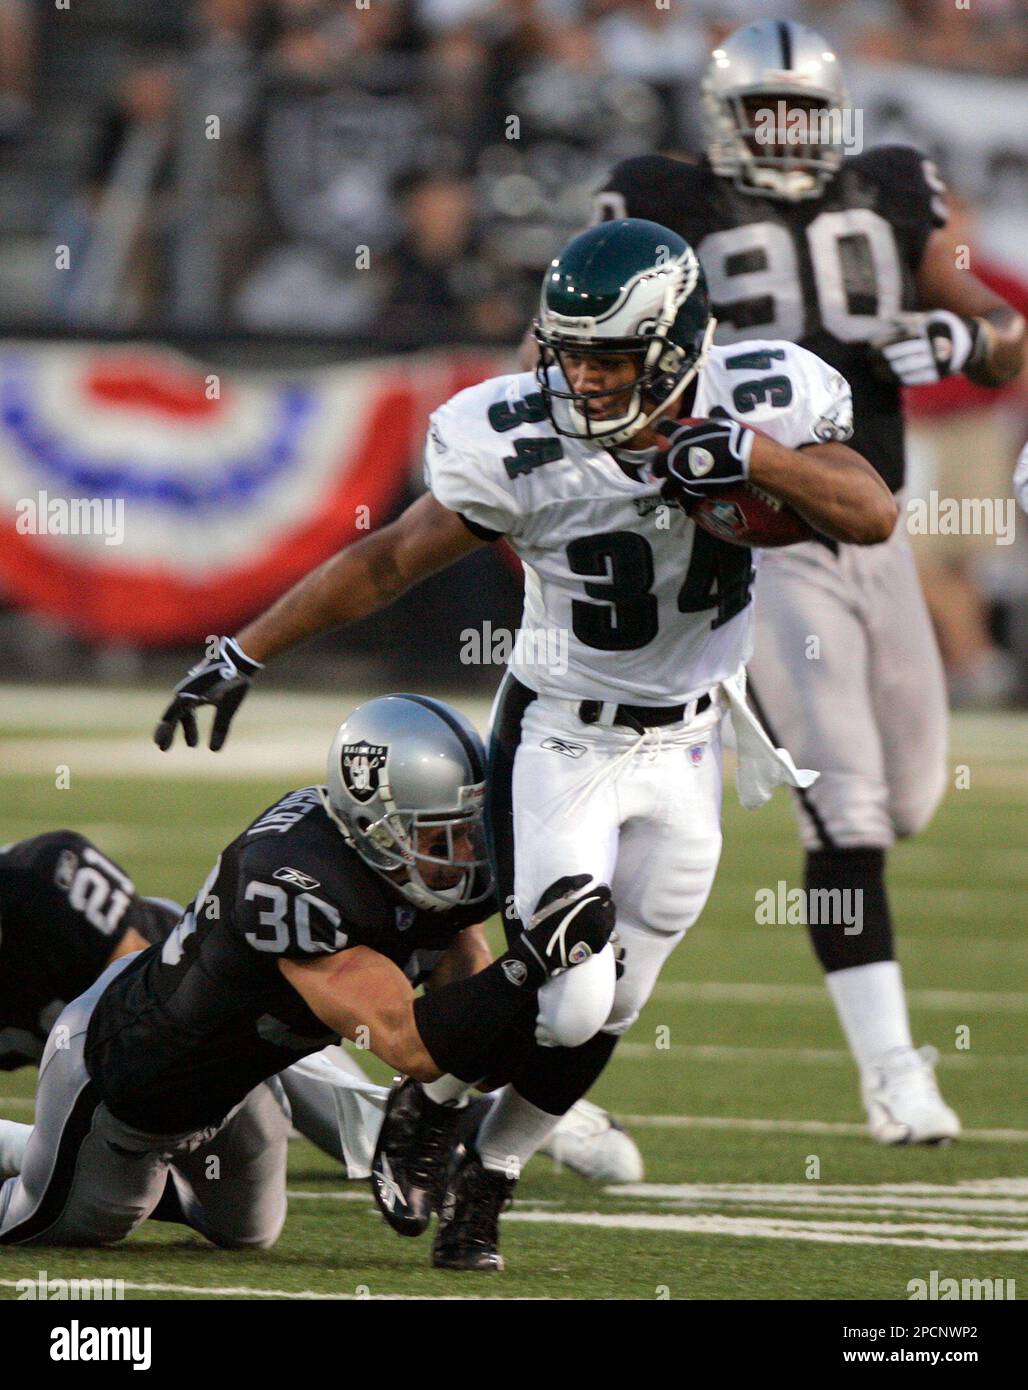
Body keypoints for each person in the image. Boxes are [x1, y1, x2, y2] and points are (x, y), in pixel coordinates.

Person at [151, 213, 894, 1269]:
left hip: (688, 744)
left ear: (679, 347)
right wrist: (247, 649)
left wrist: (749, 456)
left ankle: (487, 1177)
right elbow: (390, 560)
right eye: (570, 351)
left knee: (618, 1001)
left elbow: (867, 513)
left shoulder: (766, 393)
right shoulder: (515, 435)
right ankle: (432, 1095)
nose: (583, 379)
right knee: (570, 992)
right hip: (562, 737)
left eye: (610, 357)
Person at [595, 18, 1025, 1145]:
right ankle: (890, 1072)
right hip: (761, 540)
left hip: (872, 525)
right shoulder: (662, 200)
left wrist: (968, 339)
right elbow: (608, 348)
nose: (783, 133)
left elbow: (994, 325)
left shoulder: (887, 189)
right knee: (845, 817)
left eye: (799, 111)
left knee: (909, 799)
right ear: (721, 120)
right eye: (761, 112)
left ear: (834, 117)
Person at [0, 695, 613, 1247]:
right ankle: (60, 1166)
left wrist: (566, 998)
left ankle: (76, 1166)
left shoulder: (415, 872)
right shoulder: (296, 882)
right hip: (120, 1077)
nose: (465, 857)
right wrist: (531, 962)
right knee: (84, 1223)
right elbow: (411, 1046)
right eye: (440, 836)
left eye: (468, 832)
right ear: (374, 827)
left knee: (248, 1232)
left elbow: (472, 1033)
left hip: (237, 1083)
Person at [0, 826, 641, 1186]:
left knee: (342, 1101)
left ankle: (503, 1122)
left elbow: (135, 995)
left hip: (219, 998)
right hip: (150, 1072)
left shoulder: (40, 875)